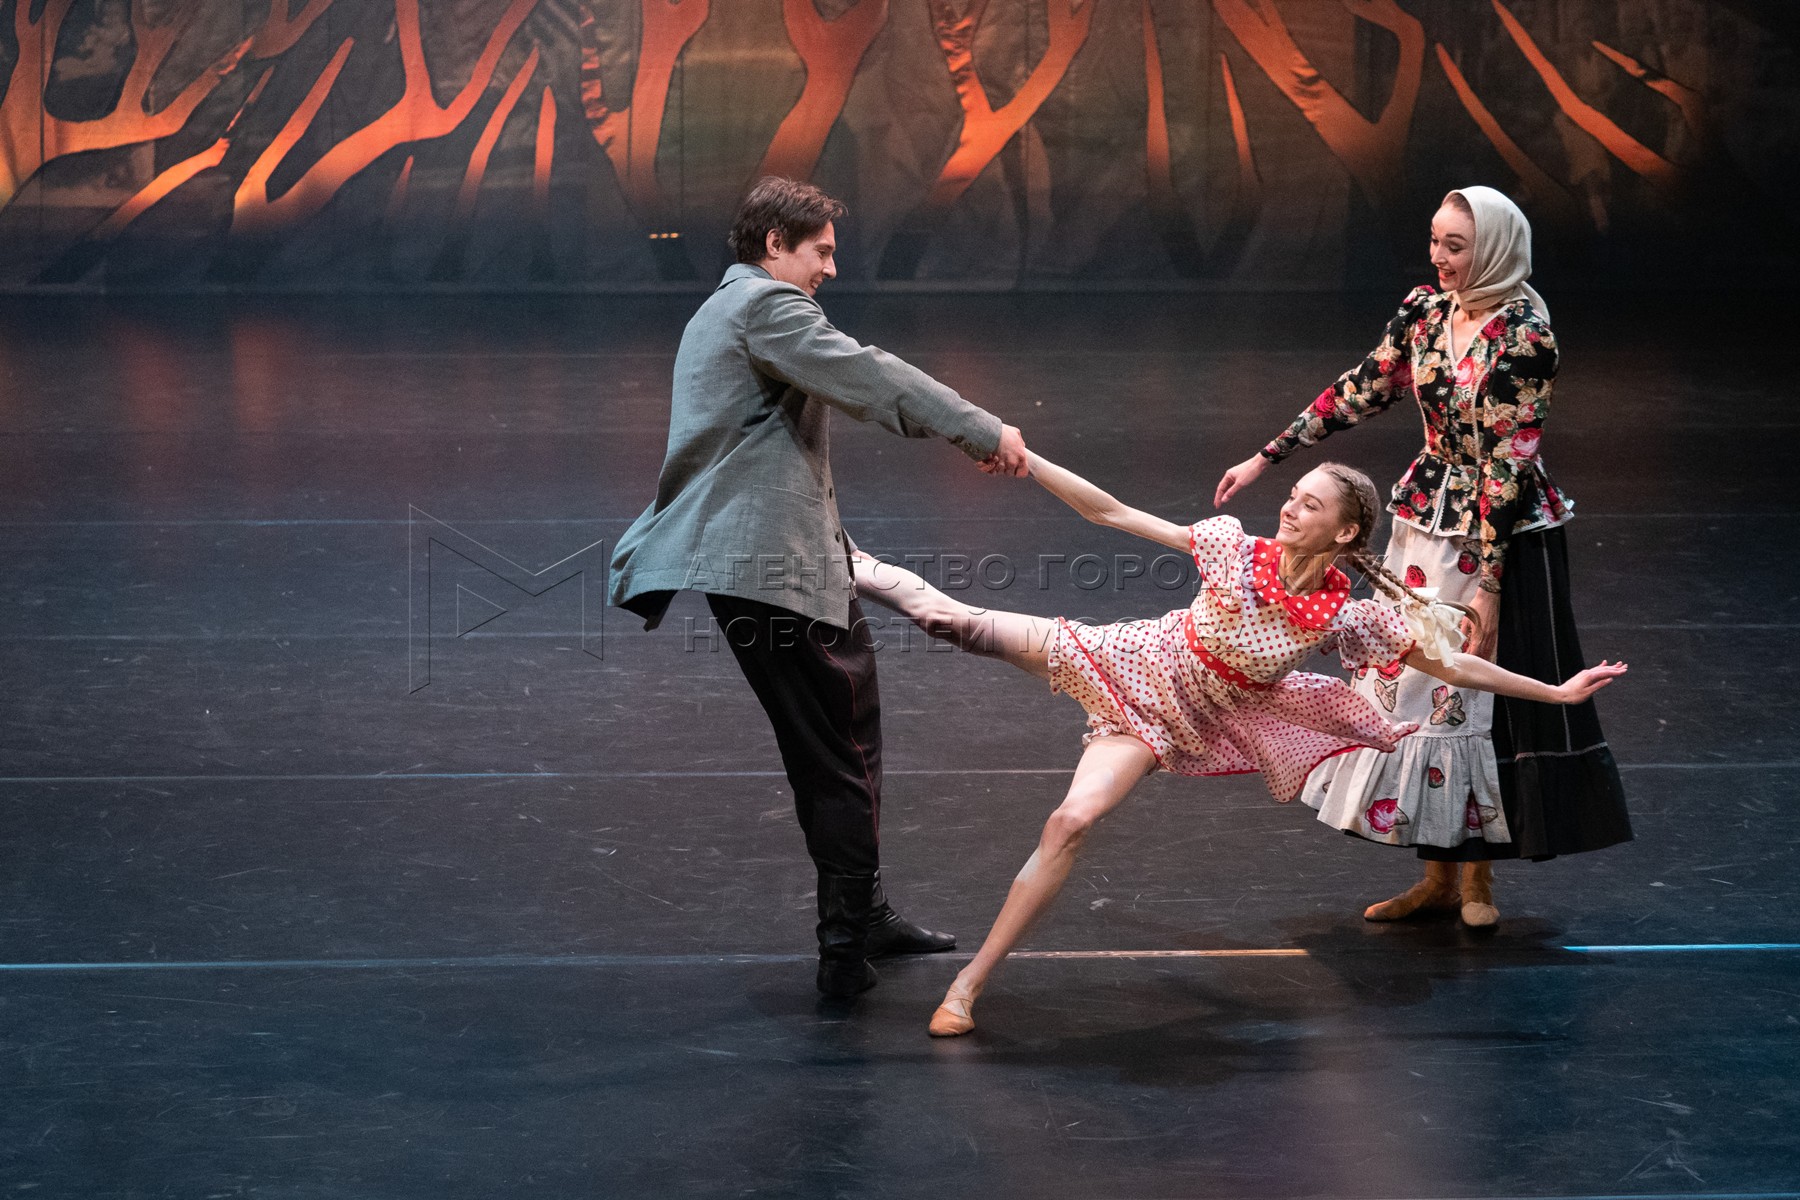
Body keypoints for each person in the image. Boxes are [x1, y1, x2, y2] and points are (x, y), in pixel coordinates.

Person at [853, 454, 1625, 1035]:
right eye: (1292, 495)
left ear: (1345, 531)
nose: (1290, 507)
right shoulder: (1233, 550)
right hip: (1125, 660)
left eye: (1310, 503)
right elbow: (1111, 512)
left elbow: (1452, 663)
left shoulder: (1344, 617)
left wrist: (1556, 692)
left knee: (1070, 822)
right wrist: (1027, 460)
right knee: (950, 622)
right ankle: (849, 558)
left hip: (1169, 723)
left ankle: (967, 988)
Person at [608, 177, 1030, 998]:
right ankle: (844, 947)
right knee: (841, 754)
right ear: (774, 244)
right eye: (821, 251)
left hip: (768, 567)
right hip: (776, 579)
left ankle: (861, 916)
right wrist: (980, 429)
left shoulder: (718, 312)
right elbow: (869, 375)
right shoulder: (765, 308)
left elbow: (749, 454)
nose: (831, 269)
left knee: (832, 747)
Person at [1214, 186, 1631, 929]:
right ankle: (1437, 877)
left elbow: (1507, 465)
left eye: (1455, 246)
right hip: (1425, 523)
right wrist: (1266, 456)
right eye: (1435, 241)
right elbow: (1360, 390)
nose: (1438, 257)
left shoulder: (1524, 337)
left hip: (1499, 535)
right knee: (1418, 690)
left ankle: (1477, 881)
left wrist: (1490, 586)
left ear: (1493, 250)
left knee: (1481, 693)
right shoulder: (1426, 312)